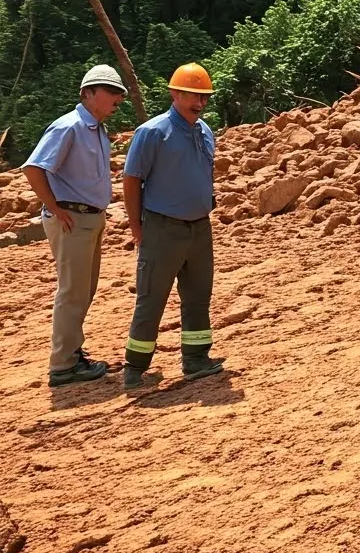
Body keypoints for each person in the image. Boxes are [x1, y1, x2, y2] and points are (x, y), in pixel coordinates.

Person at [22, 65, 127, 387]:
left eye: (119, 94)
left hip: (88, 218)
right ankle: (63, 365)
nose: (117, 98)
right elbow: (33, 169)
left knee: (83, 291)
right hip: (72, 218)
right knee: (72, 292)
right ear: (88, 93)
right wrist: (54, 208)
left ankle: (72, 353)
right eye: (111, 92)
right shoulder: (68, 126)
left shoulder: (94, 129)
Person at [121, 63, 222, 390]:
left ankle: (195, 359)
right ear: (175, 94)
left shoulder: (205, 131)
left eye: (203, 96)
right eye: (192, 95)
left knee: (198, 295)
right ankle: (135, 368)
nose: (199, 102)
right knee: (152, 297)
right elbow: (132, 179)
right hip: (163, 228)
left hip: (199, 228)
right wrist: (137, 226)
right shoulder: (152, 132)